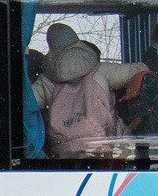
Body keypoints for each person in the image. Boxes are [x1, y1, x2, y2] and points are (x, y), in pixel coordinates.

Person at [39, 22, 118, 158]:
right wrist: (141, 76)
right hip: (100, 151)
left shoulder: (46, 82)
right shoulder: (102, 71)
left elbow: (22, 104)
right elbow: (139, 70)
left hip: (64, 154)